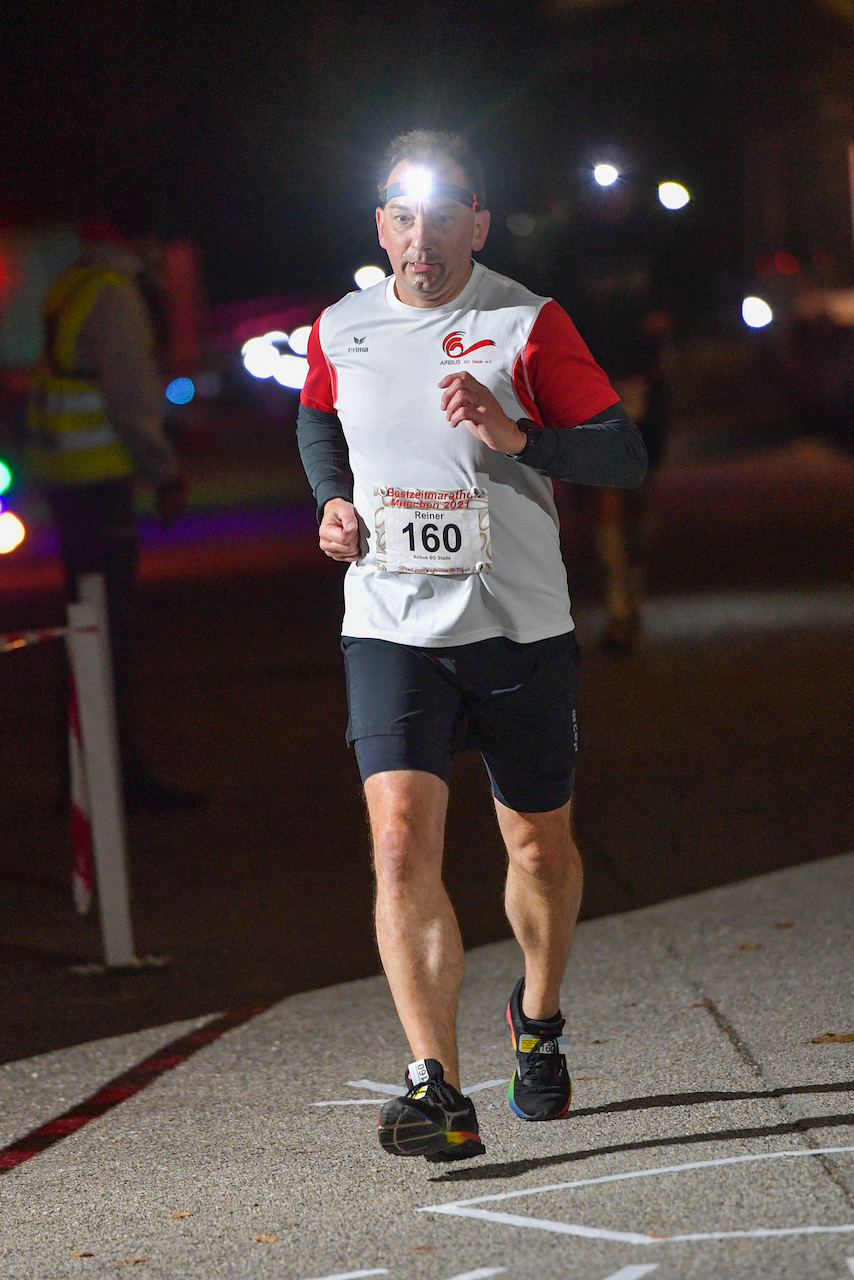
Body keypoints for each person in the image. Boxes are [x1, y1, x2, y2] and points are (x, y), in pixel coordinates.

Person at [297, 131, 647, 1163]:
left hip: (517, 626)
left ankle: (535, 1014)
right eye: (401, 216)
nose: (420, 235)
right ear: (379, 224)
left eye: (442, 214)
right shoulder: (341, 326)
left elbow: (621, 452)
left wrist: (519, 436)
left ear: (477, 223)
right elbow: (319, 422)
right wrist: (330, 502)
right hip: (389, 624)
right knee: (400, 840)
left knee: (536, 846)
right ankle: (436, 1085)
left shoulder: (523, 320)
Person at [27, 221, 195, 812]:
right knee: (109, 634)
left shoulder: (71, 284)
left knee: (86, 629)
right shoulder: (116, 295)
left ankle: (88, 769)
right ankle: (115, 777)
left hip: (64, 477)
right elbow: (133, 400)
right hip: (100, 481)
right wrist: (165, 471)